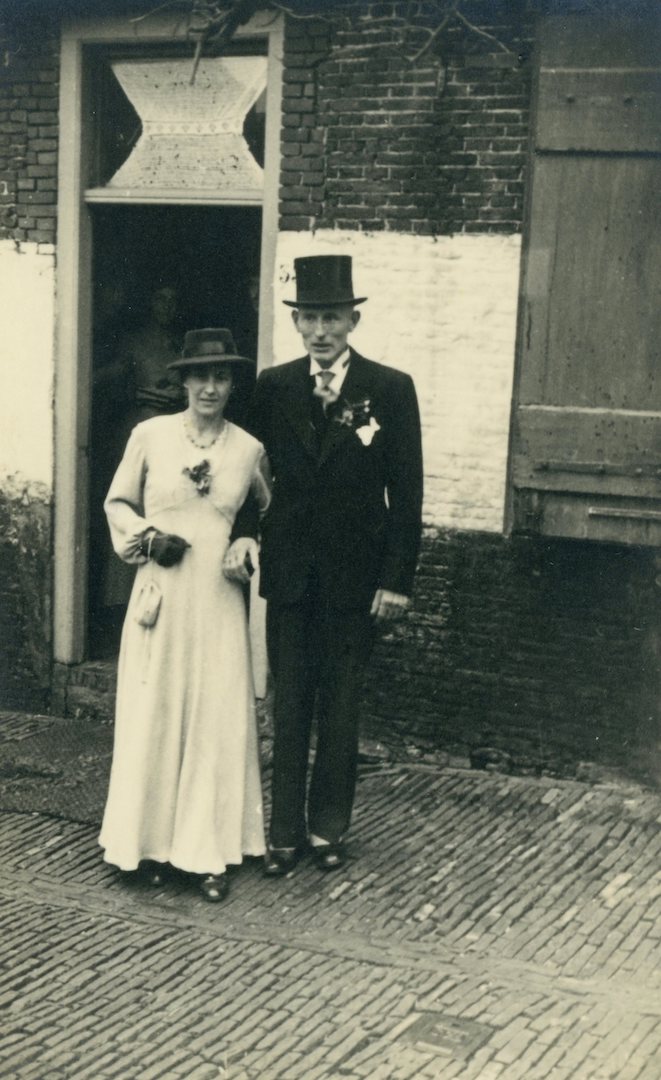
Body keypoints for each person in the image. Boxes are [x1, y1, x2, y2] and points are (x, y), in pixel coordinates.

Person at [228, 254, 423, 875]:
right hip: (289, 573)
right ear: (296, 322)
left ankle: (328, 830)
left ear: (352, 321)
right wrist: (245, 533)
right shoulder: (273, 386)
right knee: (289, 707)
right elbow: (246, 473)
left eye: (332, 318)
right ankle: (283, 834)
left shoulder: (390, 388)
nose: (320, 331)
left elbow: (407, 493)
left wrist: (395, 580)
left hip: (355, 579)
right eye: (310, 318)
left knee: (340, 708)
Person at [99, 328, 270, 902]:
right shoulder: (149, 437)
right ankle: (147, 846)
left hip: (218, 602)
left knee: (212, 719)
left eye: (222, 377)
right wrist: (148, 539)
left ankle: (206, 853)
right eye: (201, 376)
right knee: (156, 713)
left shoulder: (248, 449)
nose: (211, 387)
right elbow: (117, 502)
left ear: (232, 384)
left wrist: (246, 539)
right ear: (184, 381)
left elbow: (266, 511)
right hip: (163, 596)